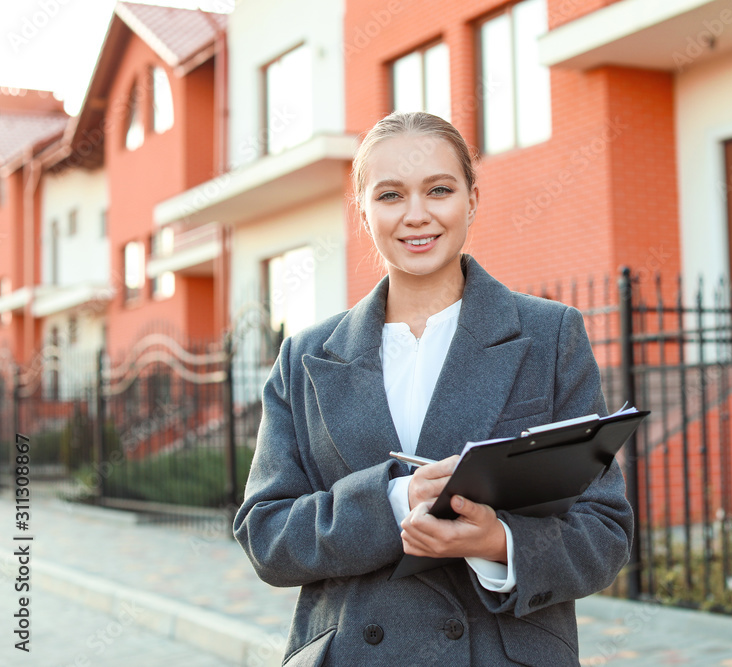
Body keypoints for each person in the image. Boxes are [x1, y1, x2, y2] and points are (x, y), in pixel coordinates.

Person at [233, 111, 633, 666]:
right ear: (363, 209)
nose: (416, 215)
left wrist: (497, 544)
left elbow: (604, 530)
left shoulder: (549, 335)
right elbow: (268, 536)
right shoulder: (305, 357)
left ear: (471, 198)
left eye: (439, 190)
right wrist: (394, 502)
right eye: (391, 195)